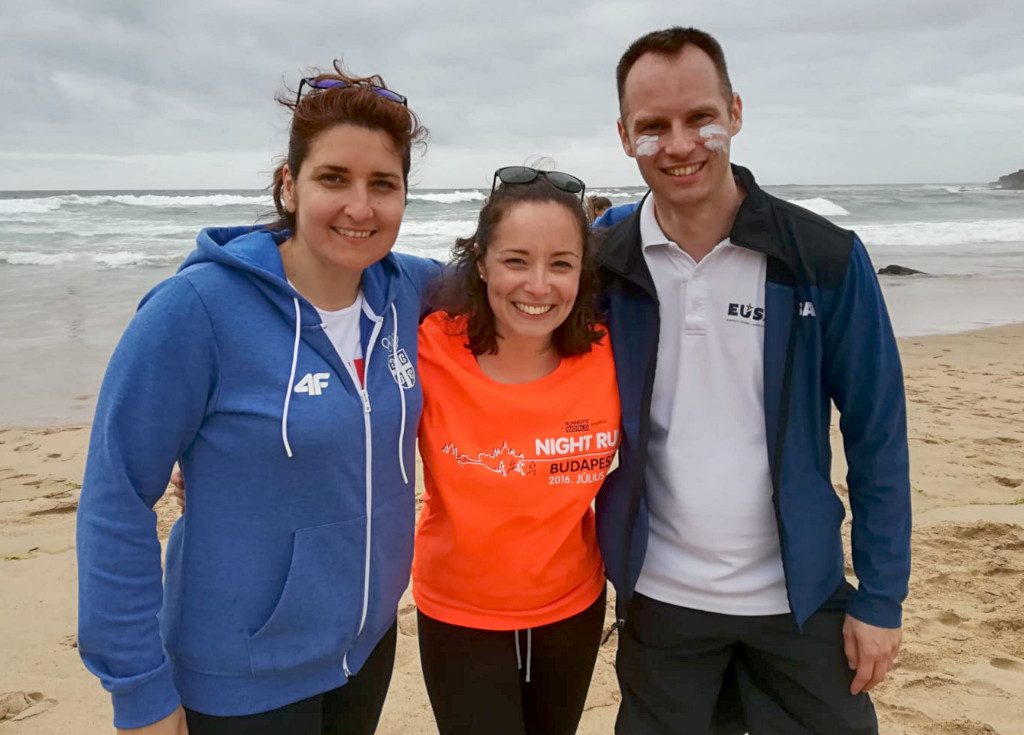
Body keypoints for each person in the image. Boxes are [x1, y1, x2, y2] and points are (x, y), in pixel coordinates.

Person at [76, 65, 439, 735]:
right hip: (238, 675)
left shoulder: (406, 289)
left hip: (365, 650)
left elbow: (518, 266)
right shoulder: (196, 311)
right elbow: (115, 496)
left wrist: (652, 214)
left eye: (382, 184)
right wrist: (139, 692)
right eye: (334, 178)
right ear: (288, 184)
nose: (360, 207)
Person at [593, 27, 911, 735]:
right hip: (659, 599)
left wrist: (882, 599)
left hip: (800, 598)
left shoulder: (823, 257)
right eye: (653, 127)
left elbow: (876, 432)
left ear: (734, 111)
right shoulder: (604, 262)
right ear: (624, 136)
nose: (679, 144)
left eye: (699, 118)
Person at [412, 167, 620, 735]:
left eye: (561, 264)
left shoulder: (611, 355)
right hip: (458, 611)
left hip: (573, 605)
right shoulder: (430, 346)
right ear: (480, 263)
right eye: (515, 260)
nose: (538, 285)